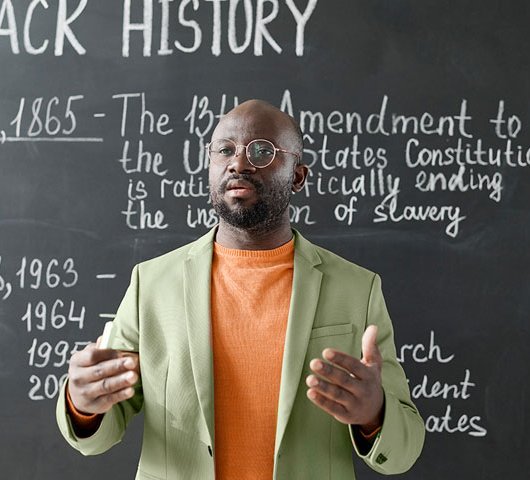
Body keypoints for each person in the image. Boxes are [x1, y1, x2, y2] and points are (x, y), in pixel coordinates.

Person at [56, 100, 425, 479]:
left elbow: (403, 452)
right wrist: (83, 404)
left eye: (263, 151)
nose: (239, 163)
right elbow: (100, 432)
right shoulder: (151, 283)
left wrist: (373, 414)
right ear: (211, 164)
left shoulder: (356, 289)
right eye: (225, 150)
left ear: (298, 176)